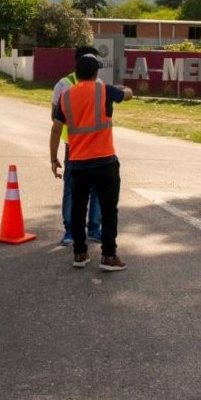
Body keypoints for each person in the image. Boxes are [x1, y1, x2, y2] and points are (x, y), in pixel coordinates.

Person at [50, 52, 133, 271]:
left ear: (76, 73)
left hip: (77, 162)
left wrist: (53, 158)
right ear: (96, 73)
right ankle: (108, 256)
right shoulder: (104, 90)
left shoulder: (65, 96)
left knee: (78, 208)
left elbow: (56, 128)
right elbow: (129, 95)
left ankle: (79, 253)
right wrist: (123, 88)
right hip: (105, 161)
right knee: (108, 209)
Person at [50, 46, 103, 246]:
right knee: (72, 190)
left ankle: (94, 228)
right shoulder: (63, 85)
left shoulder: (100, 85)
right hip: (74, 146)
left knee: (96, 189)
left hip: (96, 148)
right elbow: (55, 119)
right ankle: (71, 229)